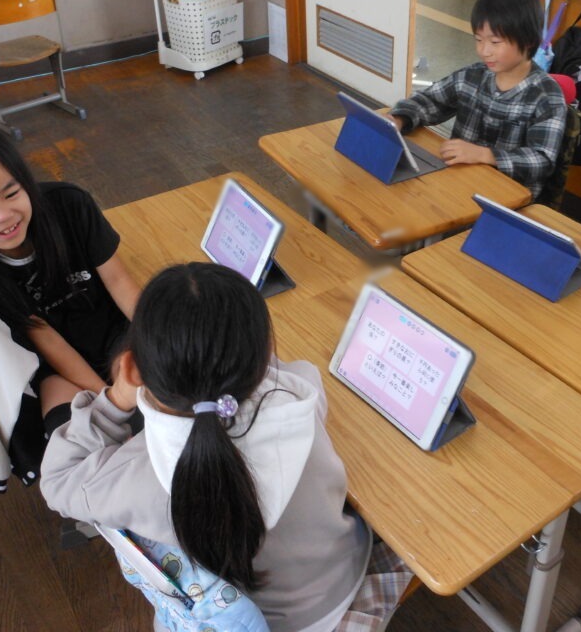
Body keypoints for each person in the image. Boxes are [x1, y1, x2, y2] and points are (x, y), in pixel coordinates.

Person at [41, 263, 402, 632]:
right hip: (343, 582)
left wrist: (116, 399)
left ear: (132, 369)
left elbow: (58, 480)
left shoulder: (134, 474)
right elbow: (287, 373)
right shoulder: (299, 396)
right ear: (264, 355)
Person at [0, 117, 140, 491]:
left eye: (11, 193)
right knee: (92, 447)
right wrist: (113, 406)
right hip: (53, 368)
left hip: (114, 337)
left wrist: (162, 345)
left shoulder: (69, 205)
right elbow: (46, 339)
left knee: (167, 384)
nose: (3, 216)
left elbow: (121, 283)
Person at [389, 0, 568, 202]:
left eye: (495, 42)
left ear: (529, 41)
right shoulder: (473, 76)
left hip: (506, 201)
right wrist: (399, 118)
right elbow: (430, 100)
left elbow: (541, 160)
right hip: (458, 184)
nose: (484, 51)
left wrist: (485, 155)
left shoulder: (546, 96)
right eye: (478, 40)